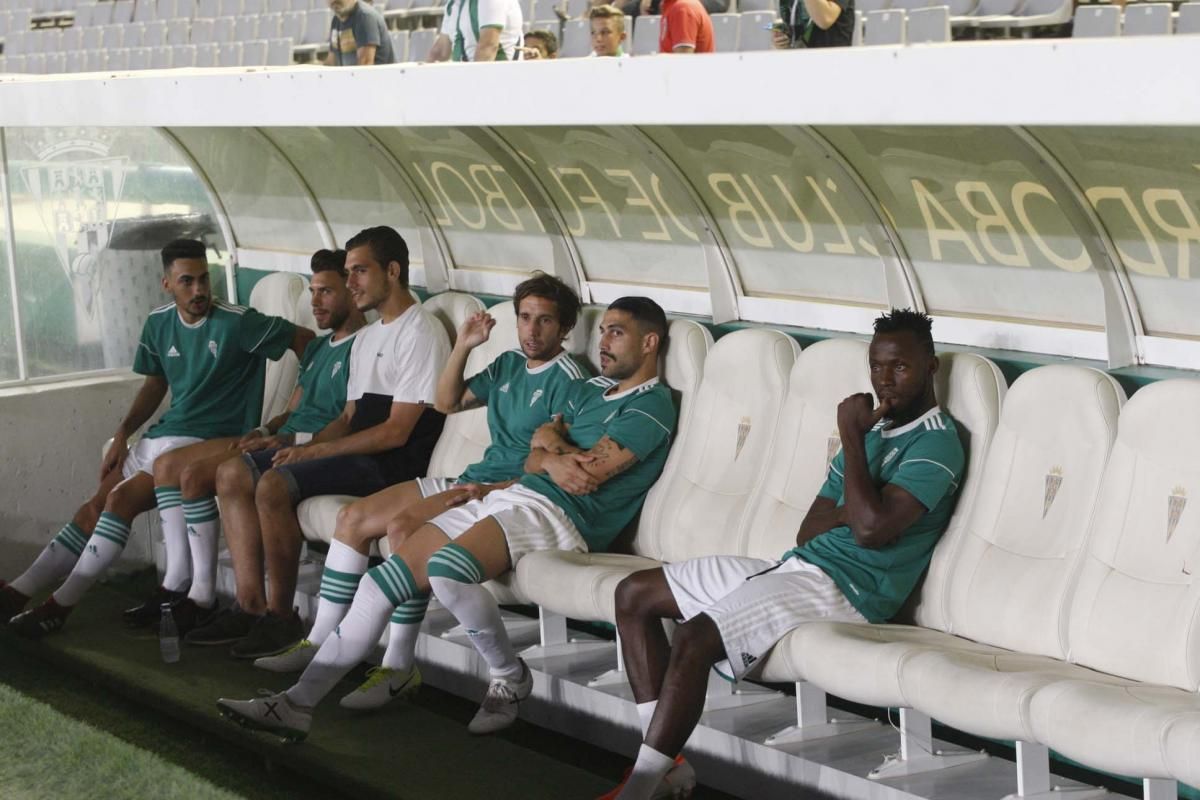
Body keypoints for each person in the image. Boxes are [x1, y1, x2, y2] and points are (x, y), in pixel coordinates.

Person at [216, 297, 677, 742]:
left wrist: (550, 455)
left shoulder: (651, 406)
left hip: (560, 516)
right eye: (604, 331)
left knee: (446, 571)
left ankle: (508, 675)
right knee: (380, 586)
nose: (604, 342)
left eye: (617, 333)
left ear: (650, 343)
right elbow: (538, 442)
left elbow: (586, 477)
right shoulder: (593, 389)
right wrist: (550, 455)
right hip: (516, 494)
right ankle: (296, 705)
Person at [598, 309, 964, 800]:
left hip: (849, 590)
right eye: (876, 366)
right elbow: (809, 527)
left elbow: (873, 530)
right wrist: (855, 504)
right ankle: (669, 765)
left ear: (930, 367)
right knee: (635, 592)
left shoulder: (936, 441)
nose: (884, 380)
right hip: (799, 566)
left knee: (695, 636)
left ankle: (639, 788)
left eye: (899, 367)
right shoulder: (874, 432)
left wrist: (852, 445)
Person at [247, 273, 588, 713]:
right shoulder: (507, 364)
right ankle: (320, 642)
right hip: (469, 477)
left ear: (564, 329)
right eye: (525, 318)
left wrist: (492, 488)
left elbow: (554, 465)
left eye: (544, 321)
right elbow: (445, 401)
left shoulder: (572, 380)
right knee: (352, 520)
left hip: (504, 492)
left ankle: (397, 661)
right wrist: (464, 344)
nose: (532, 330)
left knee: (403, 527)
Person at [3, 239, 313, 638]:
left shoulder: (239, 321)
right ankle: (18, 591)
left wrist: (297, 411)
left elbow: (306, 342)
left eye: (204, 279)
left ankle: (61, 605)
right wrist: (122, 433)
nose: (199, 290)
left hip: (212, 441)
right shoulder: (159, 322)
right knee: (95, 506)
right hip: (163, 435)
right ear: (167, 283)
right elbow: (156, 382)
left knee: (120, 499)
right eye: (187, 281)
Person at [193, 226, 450, 661]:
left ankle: (281, 617)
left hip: (394, 465)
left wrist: (315, 451)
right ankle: (251, 605)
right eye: (347, 273)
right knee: (243, 469)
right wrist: (301, 446)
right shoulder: (370, 337)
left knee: (275, 484)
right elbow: (350, 417)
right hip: (362, 454)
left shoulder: (419, 331)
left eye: (360, 272)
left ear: (393, 270)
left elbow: (396, 432)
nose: (351, 284)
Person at [132, 249, 365, 636]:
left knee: (232, 475)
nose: (315, 302)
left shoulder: (367, 345)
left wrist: (292, 439)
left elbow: (351, 421)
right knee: (191, 474)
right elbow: (293, 408)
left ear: (352, 292)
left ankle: (262, 609)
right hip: (289, 440)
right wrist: (265, 431)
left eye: (326, 292)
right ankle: (229, 601)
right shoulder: (320, 348)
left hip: (318, 449)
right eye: (312, 292)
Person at [426, 0, 523, 62]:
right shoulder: (453, 3)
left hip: (499, 80)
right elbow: (439, 52)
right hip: (466, 78)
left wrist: (471, 86)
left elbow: (488, 47)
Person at [325, 0, 396, 65]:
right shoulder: (336, 20)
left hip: (379, 78)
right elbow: (331, 62)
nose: (333, 1)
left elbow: (365, 65)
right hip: (352, 77)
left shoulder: (365, 17)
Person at [772, 0, 854, 48]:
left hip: (831, 62)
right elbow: (793, 31)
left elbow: (824, 20)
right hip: (799, 63)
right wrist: (785, 40)